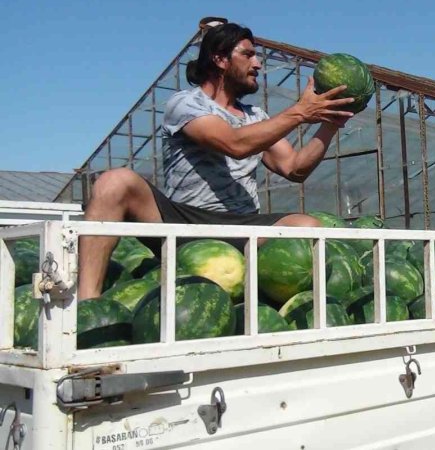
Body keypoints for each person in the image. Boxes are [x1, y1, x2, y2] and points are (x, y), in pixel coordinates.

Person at [77, 22, 356, 299]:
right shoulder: (186, 104)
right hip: (182, 222)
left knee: (308, 228)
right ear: (220, 59)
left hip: (241, 226)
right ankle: (87, 302)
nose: (258, 64)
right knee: (114, 181)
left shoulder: (255, 117)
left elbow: (295, 168)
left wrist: (330, 122)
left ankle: (264, 299)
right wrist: (299, 113)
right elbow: (233, 144)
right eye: (248, 54)